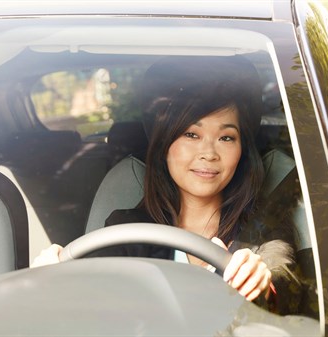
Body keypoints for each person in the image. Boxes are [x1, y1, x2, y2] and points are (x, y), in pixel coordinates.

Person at [32, 55, 297, 306]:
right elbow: (93, 301)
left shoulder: (263, 230)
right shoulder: (125, 230)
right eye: (191, 134)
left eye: (226, 137)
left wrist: (263, 287)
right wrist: (54, 282)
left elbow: (281, 275)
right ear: (165, 145)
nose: (209, 153)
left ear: (241, 150)